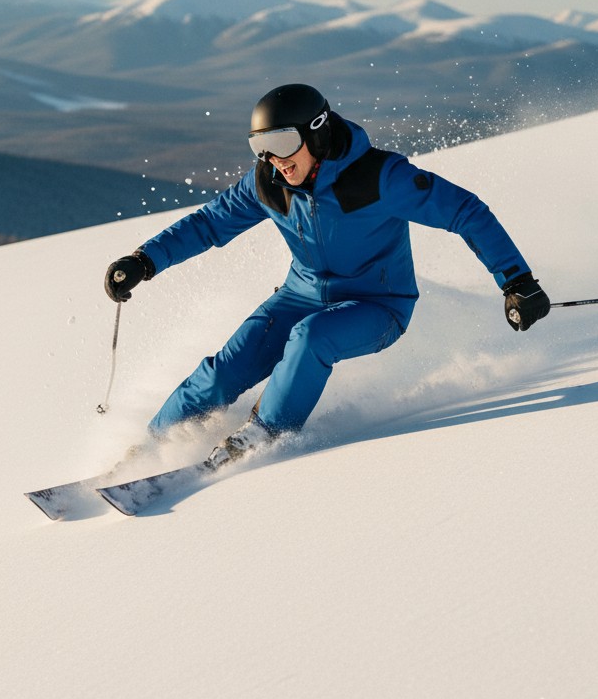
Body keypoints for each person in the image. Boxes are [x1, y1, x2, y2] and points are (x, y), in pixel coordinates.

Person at [105, 83, 550, 470]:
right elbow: (207, 224)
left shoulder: (378, 178)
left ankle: (264, 433)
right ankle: (152, 444)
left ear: (315, 133)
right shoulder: (268, 183)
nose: (272, 158)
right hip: (300, 295)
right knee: (227, 368)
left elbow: (465, 211)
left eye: (281, 141)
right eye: (259, 146)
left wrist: (516, 282)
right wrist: (145, 261)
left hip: (379, 305)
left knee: (312, 337)